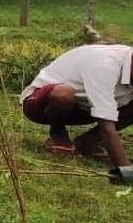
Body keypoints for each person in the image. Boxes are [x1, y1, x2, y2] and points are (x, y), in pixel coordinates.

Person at [21, 43, 133, 182]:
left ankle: (87, 141)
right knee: (63, 95)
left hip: (85, 108)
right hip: (41, 105)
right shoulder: (104, 64)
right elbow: (106, 126)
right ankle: (58, 134)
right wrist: (126, 170)